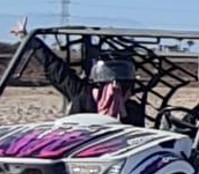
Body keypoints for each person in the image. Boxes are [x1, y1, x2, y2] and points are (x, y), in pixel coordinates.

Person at [12, 26, 145, 125]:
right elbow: (56, 68)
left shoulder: (132, 110)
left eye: (121, 84)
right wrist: (30, 40)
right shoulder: (83, 94)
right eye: (110, 84)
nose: (115, 87)